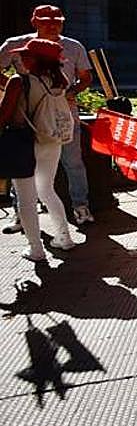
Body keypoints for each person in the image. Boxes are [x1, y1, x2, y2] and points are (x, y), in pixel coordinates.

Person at [0, 5, 94, 228]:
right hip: (26, 120)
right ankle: (21, 213)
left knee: (73, 163)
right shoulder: (15, 45)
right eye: (45, 21)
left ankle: (81, 207)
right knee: (22, 165)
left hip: (62, 118)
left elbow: (85, 77)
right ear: (34, 22)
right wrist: (18, 90)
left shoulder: (73, 46)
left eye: (57, 21)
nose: (52, 25)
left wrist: (69, 93)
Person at [0, 38, 80, 262]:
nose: (21, 58)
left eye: (26, 54)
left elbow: (4, 114)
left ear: (38, 60)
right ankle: (64, 238)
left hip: (24, 142)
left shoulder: (19, 81)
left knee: (26, 198)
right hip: (50, 140)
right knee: (47, 189)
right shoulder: (59, 80)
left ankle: (36, 249)